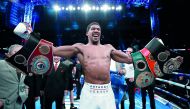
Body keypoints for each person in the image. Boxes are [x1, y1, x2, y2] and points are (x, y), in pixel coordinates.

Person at [53, 22, 133, 109]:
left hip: (107, 92)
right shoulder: (80, 48)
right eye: (93, 29)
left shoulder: (109, 48)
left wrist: (146, 53)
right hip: (89, 92)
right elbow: (54, 51)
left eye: (98, 29)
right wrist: (40, 45)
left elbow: (129, 59)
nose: (96, 30)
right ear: (87, 33)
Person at [0, 44, 28, 109]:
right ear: (8, 53)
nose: (19, 54)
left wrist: (25, 93)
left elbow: (23, 83)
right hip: (4, 104)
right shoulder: (1, 64)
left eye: (21, 52)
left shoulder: (24, 66)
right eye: (15, 52)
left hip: (19, 103)